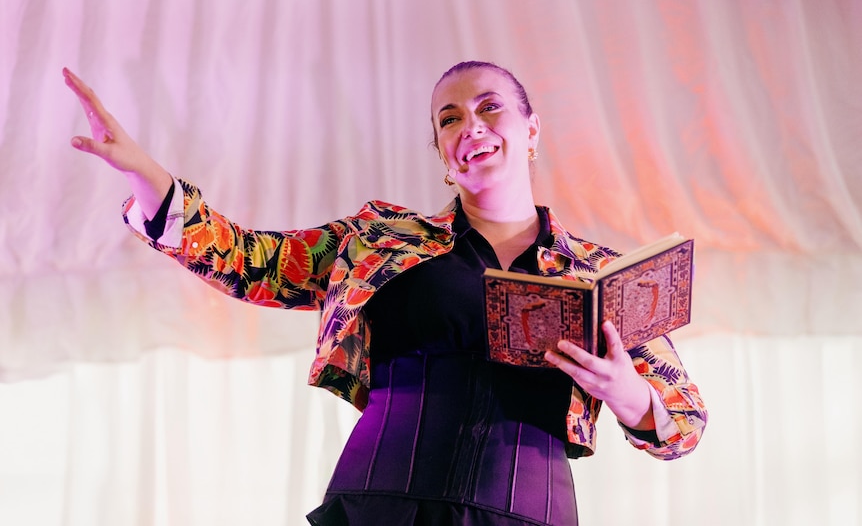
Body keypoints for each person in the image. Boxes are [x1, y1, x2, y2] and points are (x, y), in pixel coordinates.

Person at [64, 61, 708, 525]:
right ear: (442, 151)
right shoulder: (377, 240)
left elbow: (684, 424)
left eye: (490, 107)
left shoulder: (598, 275)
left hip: (527, 512)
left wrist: (630, 398)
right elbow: (250, 261)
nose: (470, 125)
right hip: (381, 504)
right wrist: (148, 177)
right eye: (449, 118)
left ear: (531, 130)